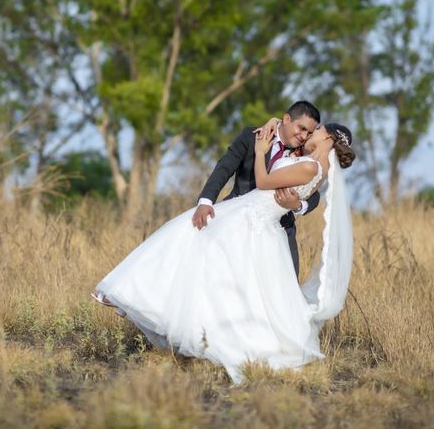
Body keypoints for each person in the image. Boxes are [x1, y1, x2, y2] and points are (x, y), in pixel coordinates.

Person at [93, 122, 356, 383]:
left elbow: (265, 181)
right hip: (250, 217)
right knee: (227, 280)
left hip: (252, 221)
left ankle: (141, 300)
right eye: (308, 129)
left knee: (193, 249)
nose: (310, 135)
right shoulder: (312, 165)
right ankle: (148, 306)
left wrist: (263, 152)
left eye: (316, 131)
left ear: (328, 138)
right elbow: (254, 158)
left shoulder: (311, 166)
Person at [192, 100, 322, 278]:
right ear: (286, 119)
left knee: (283, 290)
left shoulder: (305, 154)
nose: (303, 136)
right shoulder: (252, 136)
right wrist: (206, 201)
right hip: (237, 219)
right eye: (301, 128)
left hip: (280, 230)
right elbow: (224, 168)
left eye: (309, 132)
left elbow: (315, 189)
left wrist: (299, 205)